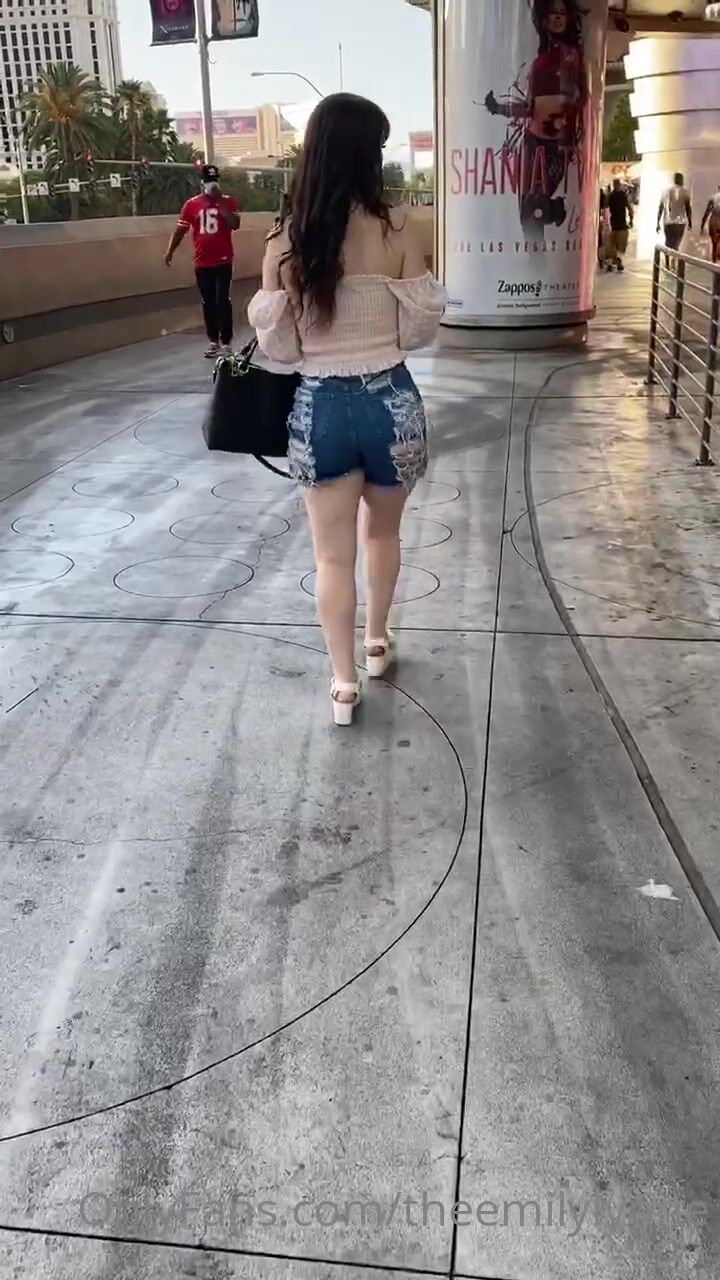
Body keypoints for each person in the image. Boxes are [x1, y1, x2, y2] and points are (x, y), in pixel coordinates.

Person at [248, 93, 447, 725]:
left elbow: (280, 350)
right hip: (392, 402)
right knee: (384, 533)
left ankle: (342, 685)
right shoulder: (399, 228)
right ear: (367, 155)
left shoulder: (284, 240)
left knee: (331, 557)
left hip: (321, 409)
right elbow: (419, 331)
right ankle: (377, 644)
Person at [484, 0, 588, 241]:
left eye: (562, 13)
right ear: (543, 18)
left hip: (555, 144)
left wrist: (565, 125)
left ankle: (555, 210)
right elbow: (529, 108)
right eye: (553, 13)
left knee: (535, 207)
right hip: (532, 142)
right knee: (526, 212)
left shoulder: (572, 55)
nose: (558, 18)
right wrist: (499, 108)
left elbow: (581, 98)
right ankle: (537, 257)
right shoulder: (539, 59)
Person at [164, 163, 240, 358]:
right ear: (202, 183)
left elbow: (235, 224)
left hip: (223, 260)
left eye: (214, 181)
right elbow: (180, 230)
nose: (211, 185)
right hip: (202, 261)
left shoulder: (228, 202)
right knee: (208, 302)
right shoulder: (192, 205)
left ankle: (226, 342)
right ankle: (213, 340)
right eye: (208, 181)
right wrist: (170, 251)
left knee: (222, 300)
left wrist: (221, 205)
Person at [657, 172, 692, 266]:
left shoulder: (665, 191)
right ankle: (673, 262)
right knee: (676, 243)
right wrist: (690, 222)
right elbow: (688, 208)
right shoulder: (685, 192)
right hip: (680, 222)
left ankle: (667, 262)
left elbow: (660, 207)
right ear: (681, 180)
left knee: (668, 242)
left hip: (668, 221)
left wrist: (658, 222)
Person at [605, 178, 633, 272]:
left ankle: (612, 262)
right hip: (618, 225)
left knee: (614, 245)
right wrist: (631, 220)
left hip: (615, 224)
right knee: (619, 246)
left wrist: (631, 219)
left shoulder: (611, 196)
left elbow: (605, 207)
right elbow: (630, 208)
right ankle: (617, 261)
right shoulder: (622, 196)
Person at [700, 182, 720, 264]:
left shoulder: (713, 198)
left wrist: (702, 225)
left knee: (714, 244)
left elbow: (707, 212)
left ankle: (714, 262)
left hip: (714, 221)